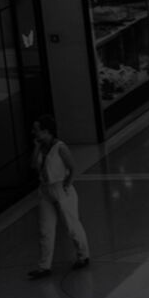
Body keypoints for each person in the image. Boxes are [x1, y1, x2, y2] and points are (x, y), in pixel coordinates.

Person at [26, 116, 90, 278]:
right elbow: (33, 165)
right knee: (45, 229)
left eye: (36, 129)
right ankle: (44, 266)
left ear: (46, 131)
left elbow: (72, 167)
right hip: (45, 190)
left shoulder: (60, 147)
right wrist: (36, 148)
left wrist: (67, 184)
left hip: (60, 187)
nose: (33, 132)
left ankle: (83, 255)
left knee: (71, 225)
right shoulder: (40, 147)